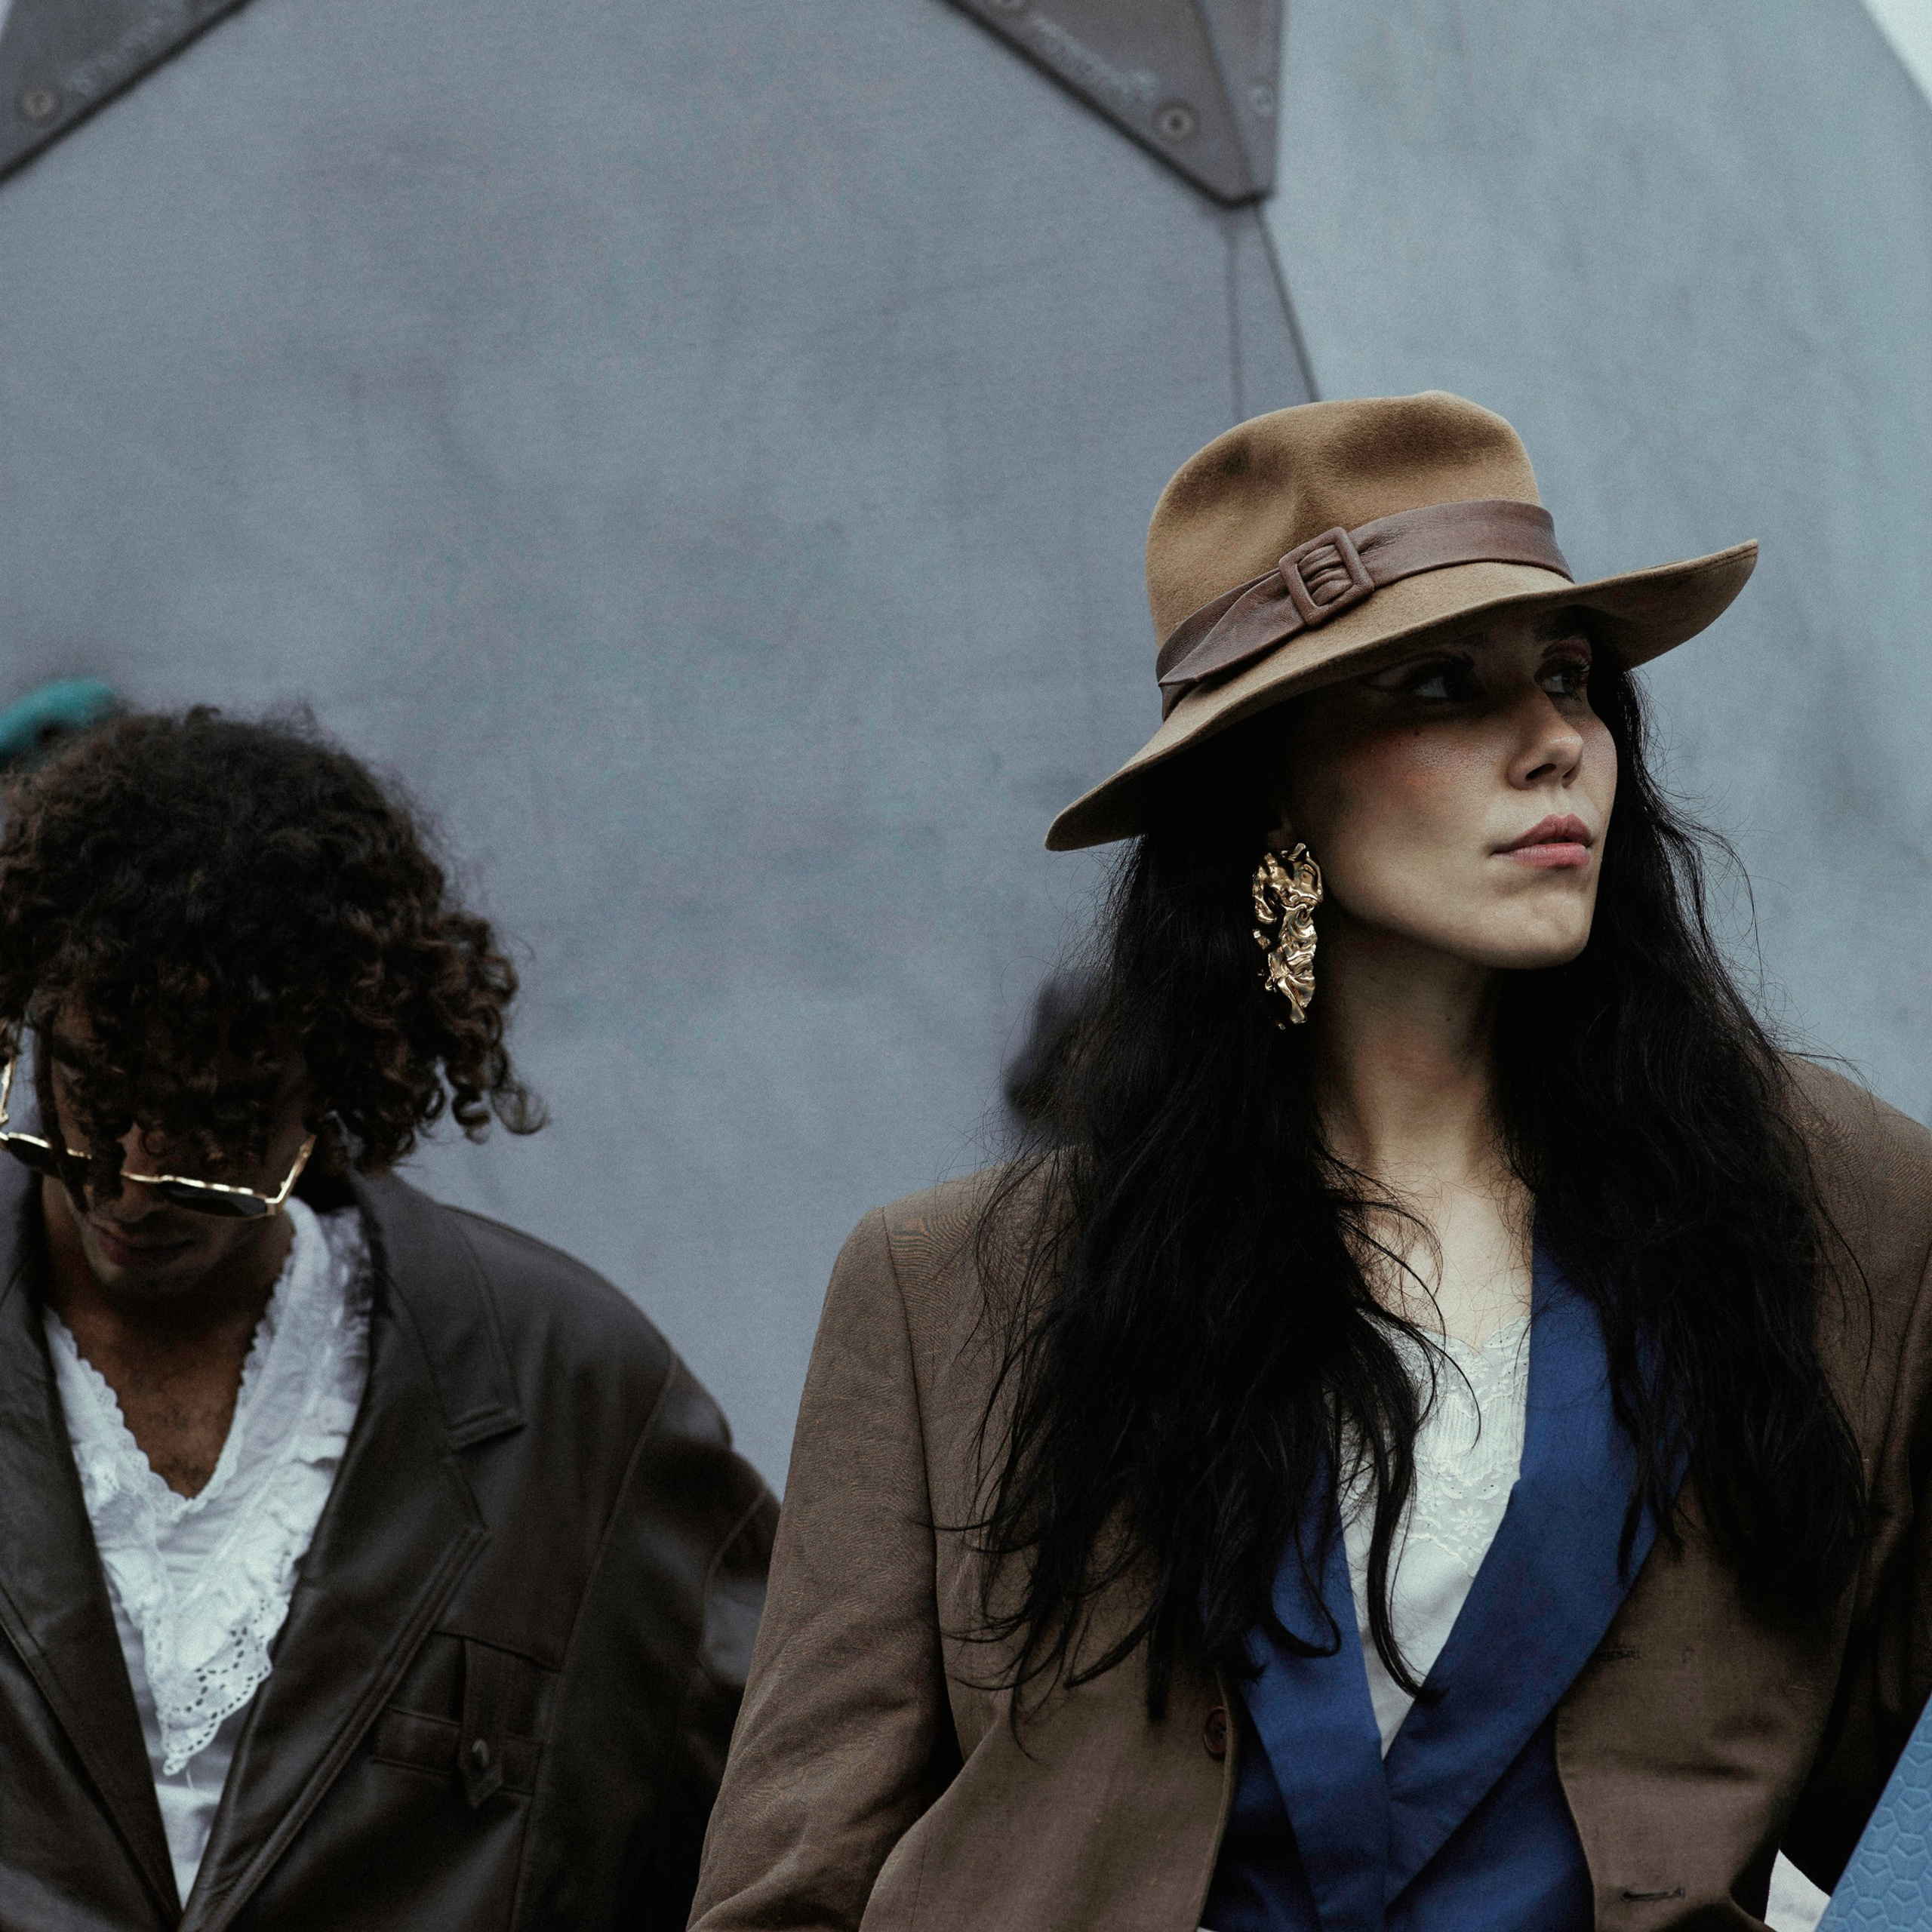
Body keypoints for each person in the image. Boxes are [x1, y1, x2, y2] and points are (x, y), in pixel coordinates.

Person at [689, 392, 1932, 1930]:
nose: (1553, 741)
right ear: (1270, 780)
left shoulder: (1831, 1210)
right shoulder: (950, 1288)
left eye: (1567, 676)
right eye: (1441, 683)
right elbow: (789, 1885)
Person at [0, 709, 774, 1931]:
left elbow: (804, 1821)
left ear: (336, 1090)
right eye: (93, 1093)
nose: (134, 1182)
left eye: (215, 1121)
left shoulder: (578, 1396)